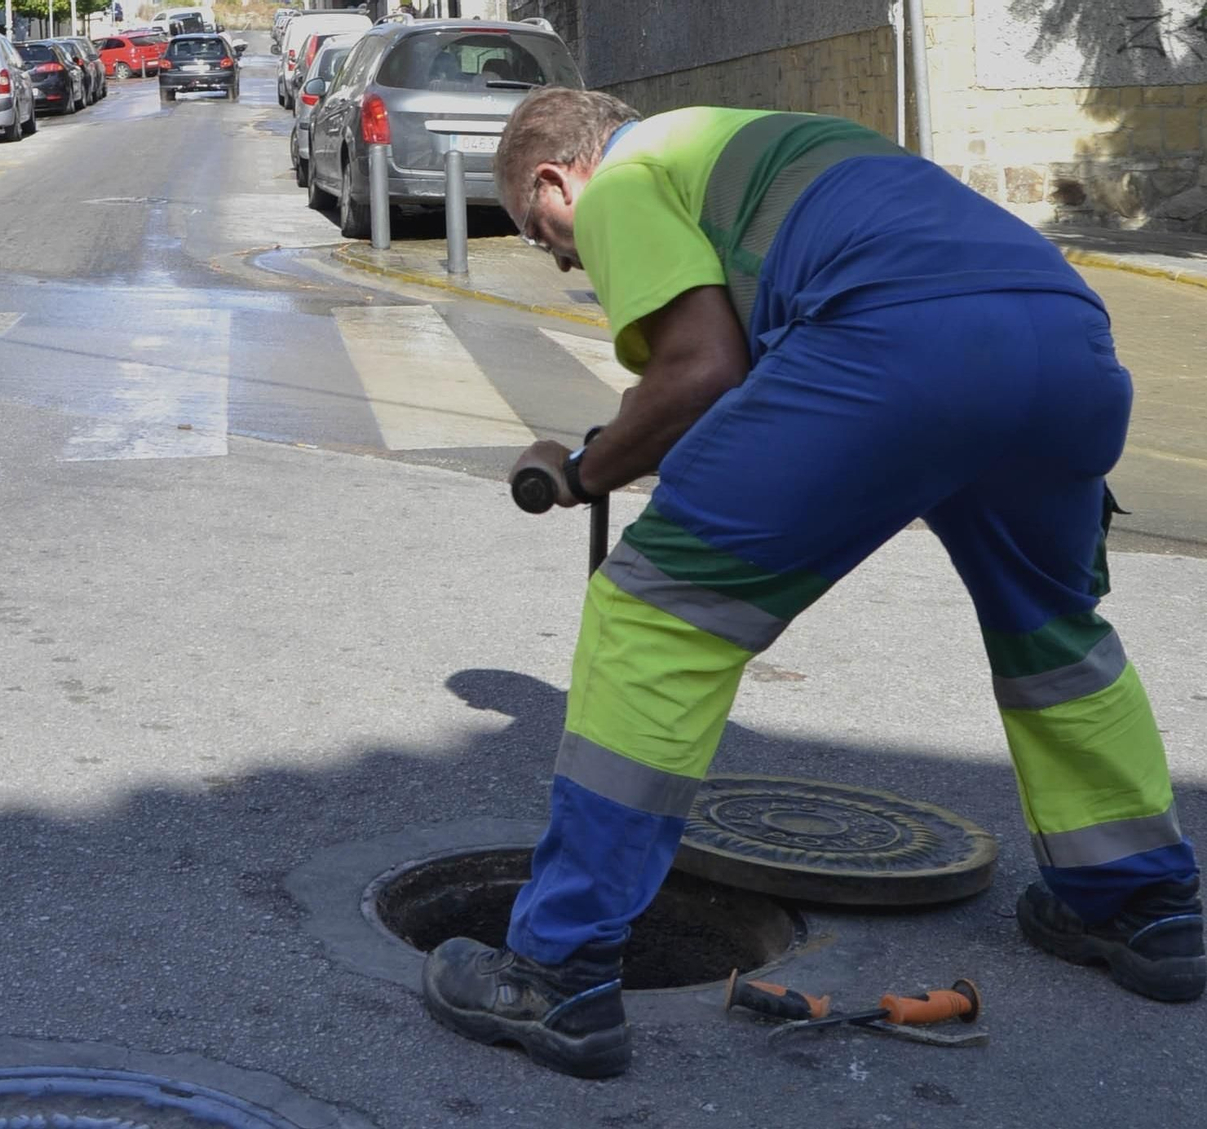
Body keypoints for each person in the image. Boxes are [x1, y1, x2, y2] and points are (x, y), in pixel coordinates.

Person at [420, 87, 1206, 1079]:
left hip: (898, 344)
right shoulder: (757, 144)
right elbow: (744, 375)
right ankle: (1142, 908)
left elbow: (700, 369)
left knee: (657, 611)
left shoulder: (622, 177)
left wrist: (584, 470)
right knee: (1052, 634)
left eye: (543, 236)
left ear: (554, 180)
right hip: (1065, 342)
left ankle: (554, 970)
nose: (566, 262)